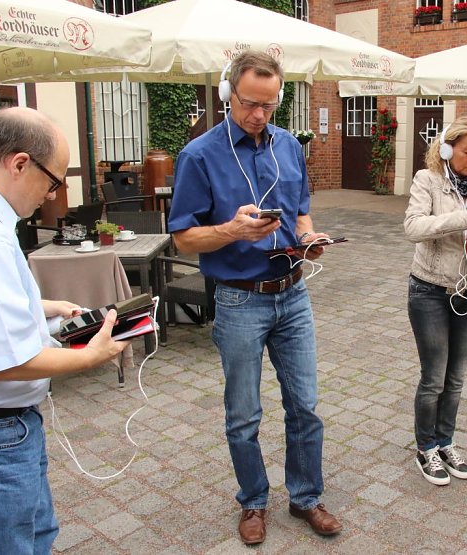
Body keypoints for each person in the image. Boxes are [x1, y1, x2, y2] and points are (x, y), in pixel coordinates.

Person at [167, 50, 341, 546]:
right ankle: (252, 500)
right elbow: (183, 238)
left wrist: (308, 236)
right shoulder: (199, 155)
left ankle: (306, 496)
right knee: (244, 414)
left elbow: (301, 211)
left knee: (305, 406)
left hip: (293, 292)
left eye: (268, 105)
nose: (258, 115)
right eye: (248, 103)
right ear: (228, 94)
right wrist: (230, 231)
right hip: (240, 299)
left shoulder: (289, 146)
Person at [0, 107, 129, 554]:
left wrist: (39, 305)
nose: (54, 194)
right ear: (19, 164)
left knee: (34, 538)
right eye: (52, 181)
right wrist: (92, 356)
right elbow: (4, 363)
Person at [404, 115, 467, 485]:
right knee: (434, 377)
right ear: (446, 150)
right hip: (429, 288)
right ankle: (425, 447)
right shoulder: (426, 180)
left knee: (457, 377)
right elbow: (413, 228)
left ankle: (446, 441)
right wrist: (463, 218)